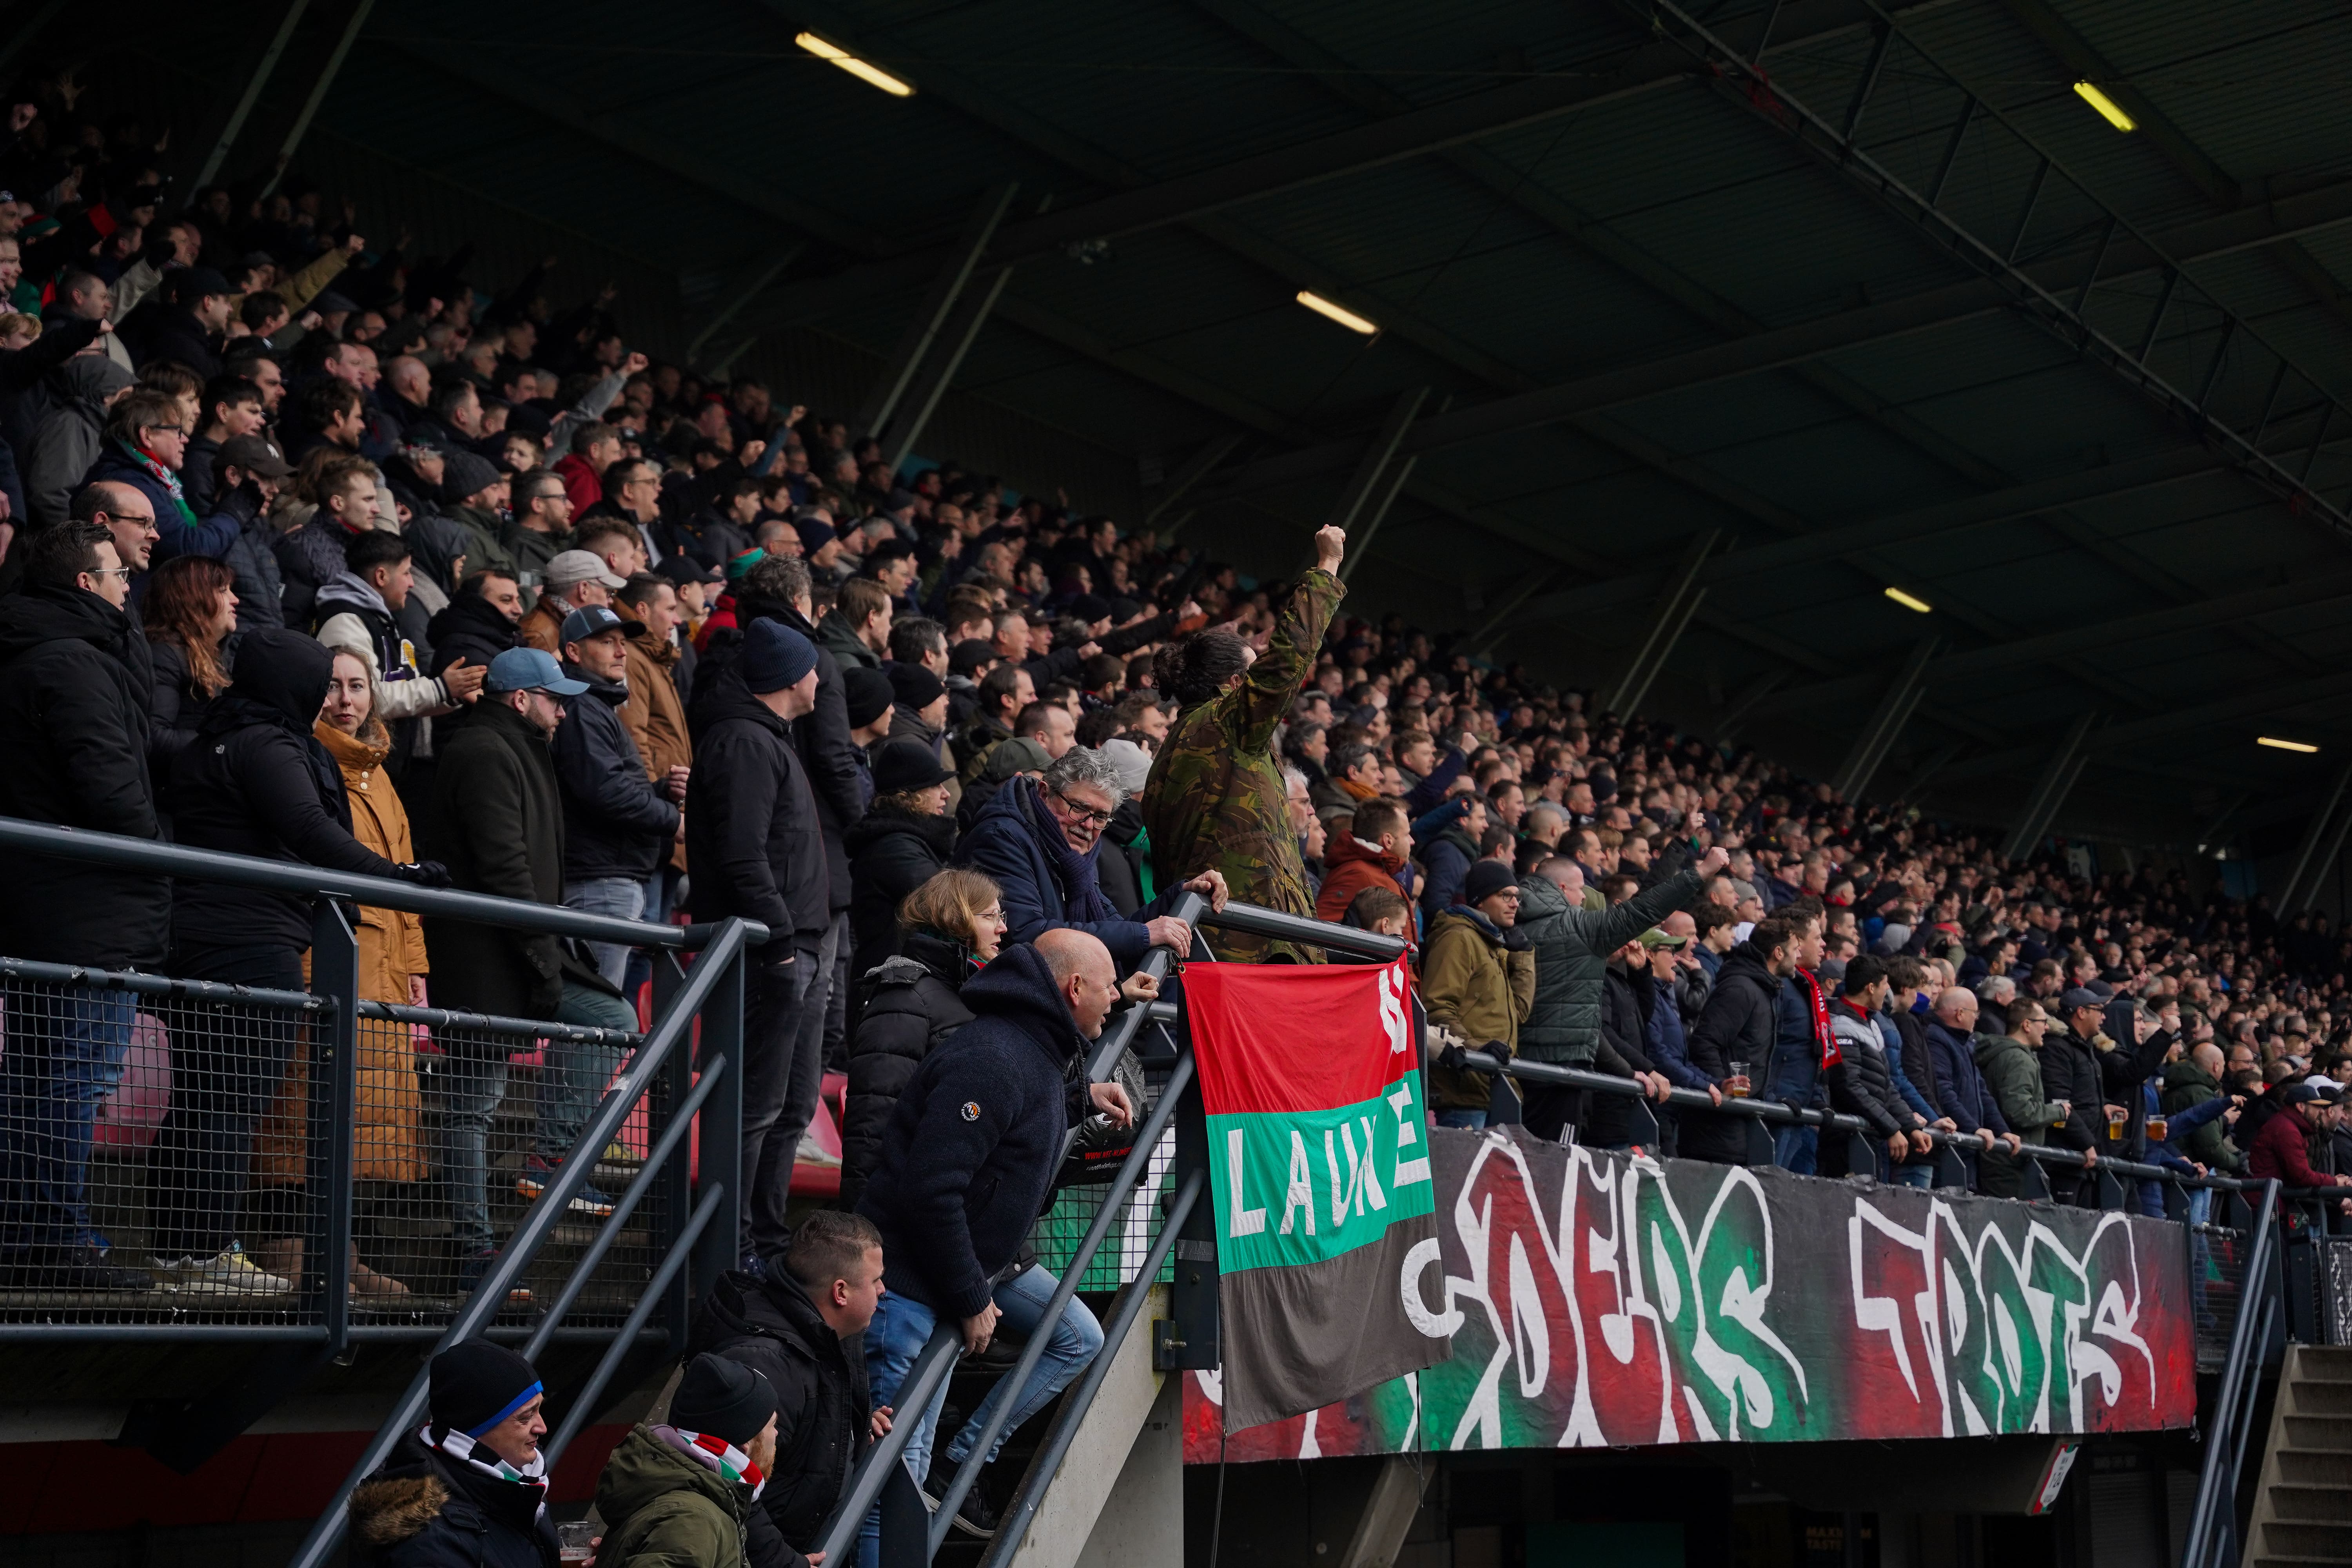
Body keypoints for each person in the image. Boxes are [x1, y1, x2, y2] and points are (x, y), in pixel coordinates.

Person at [152, 628, 439, 1294]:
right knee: (230, 1104)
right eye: (319, 682)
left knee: (200, 1100)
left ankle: (179, 1256)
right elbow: (312, 830)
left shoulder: (214, 740)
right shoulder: (270, 746)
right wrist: (398, 877)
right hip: (250, 941)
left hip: (208, 933)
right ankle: (203, 1256)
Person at [855, 929, 1134, 1547]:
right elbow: (931, 1191)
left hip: (960, 1278)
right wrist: (971, 1298)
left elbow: (1024, 1104)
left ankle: (964, 1460)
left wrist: (1080, 1097)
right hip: (911, 1293)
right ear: (1075, 988)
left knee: (1077, 1339)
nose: (1119, 996)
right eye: (1111, 983)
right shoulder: (995, 1058)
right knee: (892, 1488)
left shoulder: (1031, 1052)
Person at [417, 647, 640, 1293]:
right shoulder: (485, 751)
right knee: (471, 1108)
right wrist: (545, 957)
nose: (564, 711)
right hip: (489, 957)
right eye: (554, 698)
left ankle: (548, 1155)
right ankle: (474, 1253)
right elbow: (503, 866)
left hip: (518, 949)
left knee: (611, 1019)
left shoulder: (511, 745)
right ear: (521, 699)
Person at [0, 524, 161, 1290]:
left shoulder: (39, 652)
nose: (131, 583)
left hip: (48, 893)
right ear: (85, 585)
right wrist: (155, 846)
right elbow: (109, 783)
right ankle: (56, 1237)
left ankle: (35, 1232)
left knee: (41, 1073)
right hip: (85, 899)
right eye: (117, 573)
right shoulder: (72, 662)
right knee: (70, 1076)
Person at [247, 648, 427, 1299]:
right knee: (302, 1114)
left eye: (358, 687)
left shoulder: (381, 773)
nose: (346, 700)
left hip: (382, 969)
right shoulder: (300, 757)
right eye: (333, 687)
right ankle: (287, 1250)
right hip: (320, 954)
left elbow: (407, 879)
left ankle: (341, 1253)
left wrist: (417, 966)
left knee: (359, 1125)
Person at [686, 619, 831, 1265]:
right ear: (791, 676)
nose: (821, 680)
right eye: (813, 667)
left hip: (793, 941)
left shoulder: (766, 737)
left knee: (791, 1105)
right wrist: (778, 943)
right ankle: (732, 1243)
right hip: (770, 949)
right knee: (758, 1106)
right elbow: (743, 855)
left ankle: (764, 1240)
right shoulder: (745, 741)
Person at [1142, 525, 1345, 960]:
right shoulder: (1225, 725)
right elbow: (1288, 661)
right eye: (1251, 673)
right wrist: (1327, 566)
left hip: (1223, 941)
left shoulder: (1188, 743)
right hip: (1254, 946)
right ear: (1235, 685)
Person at [689, 1210, 892, 1568]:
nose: (883, 1290)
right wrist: (784, 1563)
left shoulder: (826, 1335)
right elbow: (723, 1485)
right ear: (840, 1292)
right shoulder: (767, 1364)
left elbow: (802, 1433)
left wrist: (851, 1427)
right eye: (875, 1280)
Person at [1513, 849, 1722, 1142]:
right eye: (1580, 890)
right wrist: (1702, 872)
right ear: (1562, 889)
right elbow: (1644, 910)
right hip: (1564, 1069)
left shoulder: (1513, 920)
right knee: (1553, 1167)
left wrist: (1626, 1069)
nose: (1585, 898)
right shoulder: (1579, 927)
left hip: (1520, 1061)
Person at [958, 746, 1223, 972]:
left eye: (1100, 817)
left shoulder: (1075, 856)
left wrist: (1181, 894)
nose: (1087, 825)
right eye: (1079, 808)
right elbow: (1026, 935)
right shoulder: (1002, 838)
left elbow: (1115, 926)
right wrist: (1144, 934)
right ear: (1044, 793)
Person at [842, 870, 1007, 1212]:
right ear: (956, 918)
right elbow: (873, 1118)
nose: (1003, 927)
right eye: (991, 916)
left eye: (1001, 916)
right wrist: (864, 1227)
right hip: (907, 1217)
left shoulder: (975, 992)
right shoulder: (904, 995)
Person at [550, 604, 682, 988]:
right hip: (599, 882)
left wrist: (661, 792)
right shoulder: (581, 707)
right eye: (608, 642)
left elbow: (604, 786)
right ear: (574, 652)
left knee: (602, 1019)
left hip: (608, 876)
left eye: (623, 643)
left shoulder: (593, 705)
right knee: (599, 1021)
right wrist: (673, 820)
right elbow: (603, 791)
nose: (622, 652)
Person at [348, 1340, 559, 1568]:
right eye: (525, 1417)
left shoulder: (517, 1484)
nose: (542, 1427)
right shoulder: (425, 1540)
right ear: (476, 1428)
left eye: (540, 1409)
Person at [593, 1354, 777, 1568]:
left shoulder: (694, 1504)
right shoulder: (693, 1521)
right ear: (744, 1446)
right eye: (772, 1424)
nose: (777, 1434)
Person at [1422, 860, 1538, 1130]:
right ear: (1480, 902)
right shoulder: (1459, 938)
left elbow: (1519, 1011)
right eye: (1504, 896)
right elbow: (1438, 1008)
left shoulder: (1493, 944)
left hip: (1495, 1088)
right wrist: (1477, 1050)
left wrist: (1523, 955)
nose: (1514, 904)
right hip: (1464, 1089)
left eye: (1516, 897)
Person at [844, 737, 960, 987]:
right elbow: (947, 904)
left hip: (904, 981)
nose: (946, 793)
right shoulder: (894, 847)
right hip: (892, 987)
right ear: (911, 796)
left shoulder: (909, 840)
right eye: (936, 785)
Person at [139, 552, 236, 781]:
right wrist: (228, 745)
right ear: (191, 599)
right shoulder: (164, 654)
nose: (235, 599)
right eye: (223, 590)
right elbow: (154, 738)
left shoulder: (214, 656)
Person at [1976, 998, 2079, 1199]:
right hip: (2010, 1162)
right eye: (2043, 1022)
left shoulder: (2009, 1054)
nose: (2047, 1027)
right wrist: (2059, 1112)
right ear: (2027, 1025)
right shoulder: (2018, 1059)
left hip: (2005, 1159)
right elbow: (2019, 1111)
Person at [2247, 1081, 2352, 1210]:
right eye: (2316, 1107)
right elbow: (2302, 1176)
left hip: (2270, 1200)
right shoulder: (2287, 1130)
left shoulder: (2293, 1127)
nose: (2320, 1112)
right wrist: (2335, 1183)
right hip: (2264, 1203)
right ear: (2301, 1106)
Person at [1313, 796, 1410, 924]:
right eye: (1407, 835)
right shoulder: (1358, 874)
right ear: (1388, 841)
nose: (1412, 841)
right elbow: (1320, 929)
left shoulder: (1375, 871)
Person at [519, 548, 626, 653]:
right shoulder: (538, 637)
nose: (611, 601)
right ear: (584, 590)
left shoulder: (562, 628)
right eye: (608, 592)